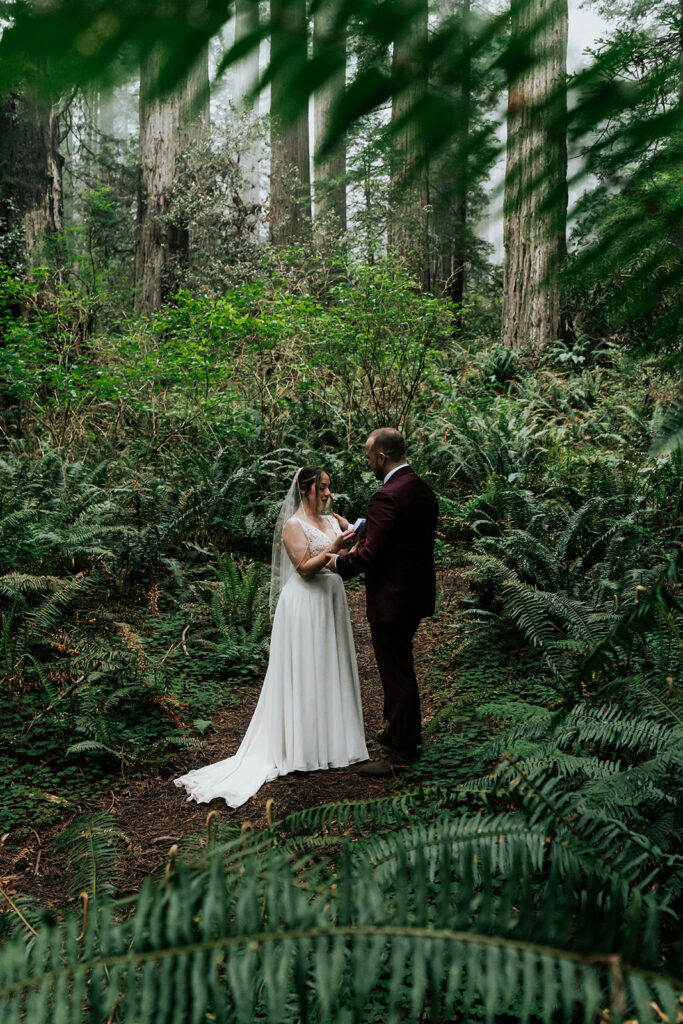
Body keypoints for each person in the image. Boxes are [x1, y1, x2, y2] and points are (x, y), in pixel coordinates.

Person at [174, 466, 368, 808]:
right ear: (305, 490)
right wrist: (337, 544)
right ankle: (303, 747)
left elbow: (342, 563)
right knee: (306, 670)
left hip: (330, 602)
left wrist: (350, 541)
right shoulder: (294, 526)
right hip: (305, 605)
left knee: (328, 668)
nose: (327, 494)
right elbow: (306, 569)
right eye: (321, 488)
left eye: (329, 488)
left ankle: (334, 743)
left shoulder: (330, 521)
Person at [326, 428, 438, 777]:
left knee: (396, 672)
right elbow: (398, 536)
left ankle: (403, 750)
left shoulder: (385, 495)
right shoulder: (421, 489)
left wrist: (337, 564)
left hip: (392, 598)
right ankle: (396, 728)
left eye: (368, 456)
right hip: (416, 593)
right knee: (399, 664)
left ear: (381, 457)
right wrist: (361, 526)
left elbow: (371, 554)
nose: (367, 462)